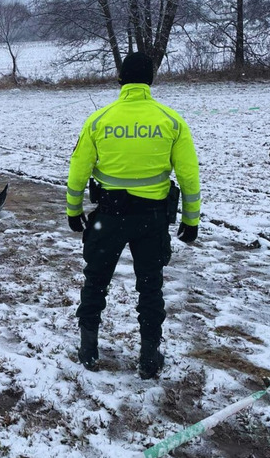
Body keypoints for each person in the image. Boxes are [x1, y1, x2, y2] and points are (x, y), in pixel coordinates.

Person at [66, 52, 201, 379]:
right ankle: (150, 356)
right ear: (150, 80)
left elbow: (77, 172)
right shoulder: (171, 121)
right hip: (152, 219)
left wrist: (73, 211)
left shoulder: (99, 120)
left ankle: (88, 348)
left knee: (95, 280)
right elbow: (189, 176)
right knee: (150, 286)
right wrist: (191, 220)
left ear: (121, 79)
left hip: (108, 216)